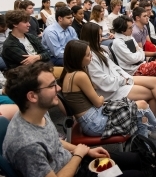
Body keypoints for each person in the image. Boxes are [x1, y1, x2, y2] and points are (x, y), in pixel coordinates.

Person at [3, 62, 144, 177]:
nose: (58, 88)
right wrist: (78, 155)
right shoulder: (27, 145)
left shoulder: (38, 111)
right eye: (52, 85)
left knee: (137, 160)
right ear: (32, 97)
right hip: (75, 168)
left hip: (75, 161)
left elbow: (53, 141)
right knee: (137, 175)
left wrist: (85, 151)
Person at [80, 22, 156, 126]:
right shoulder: (91, 57)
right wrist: (124, 80)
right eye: (99, 36)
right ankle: (153, 124)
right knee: (155, 90)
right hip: (111, 90)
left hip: (120, 79)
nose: (102, 38)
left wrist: (126, 78)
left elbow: (116, 68)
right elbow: (104, 81)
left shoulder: (101, 51)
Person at [61, 40, 156, 138]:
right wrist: (99, 94)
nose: (91, 56)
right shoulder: (80, 75)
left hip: (91, 119)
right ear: (78, 58)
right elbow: (98, 102)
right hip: (95, 122)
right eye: (87, 55)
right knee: (141, 106)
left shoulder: (68, 74)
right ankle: (155, 130)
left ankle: (146, 141)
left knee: (141, 106)